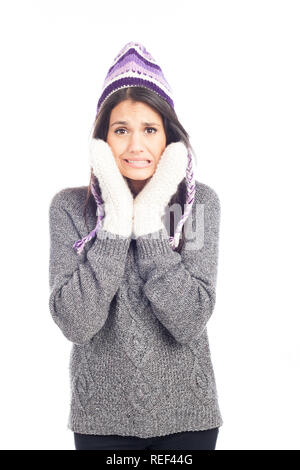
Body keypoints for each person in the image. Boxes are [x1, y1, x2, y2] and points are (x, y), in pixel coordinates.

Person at [48, 41, 223, 451]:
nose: (136, 146)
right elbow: (76, 323)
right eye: (121, 130)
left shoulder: (197, 207)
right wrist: (114, 223)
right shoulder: (70, 209)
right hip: (99, 423)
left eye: (150, 129)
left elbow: (190, 319)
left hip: (188, 420)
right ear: (103, 139)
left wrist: (147, 224)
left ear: (169, 138)